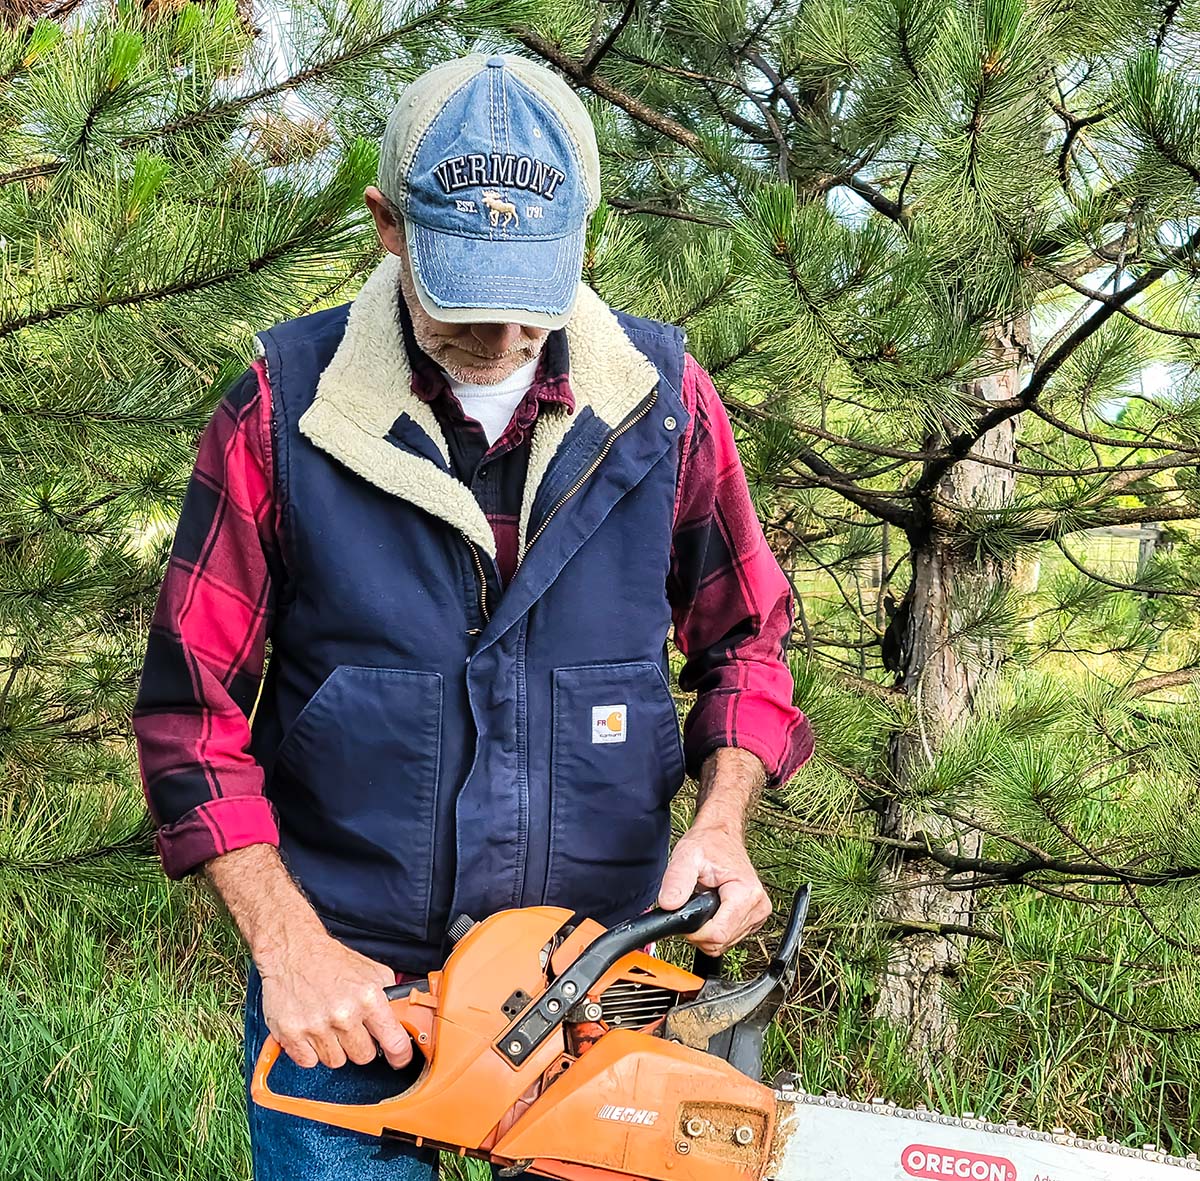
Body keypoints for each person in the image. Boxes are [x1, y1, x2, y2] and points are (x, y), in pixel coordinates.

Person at [133, 51, 812, 1181]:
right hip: (352, 978)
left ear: (586, 235)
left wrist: (724, 814)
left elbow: (746, 638)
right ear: (387, 224)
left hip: (602, 971)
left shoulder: (665, 404)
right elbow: (188, 713)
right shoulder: (281, 409)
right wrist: (289, 946)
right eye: (466, 305)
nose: (499, 340)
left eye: (528, 309)